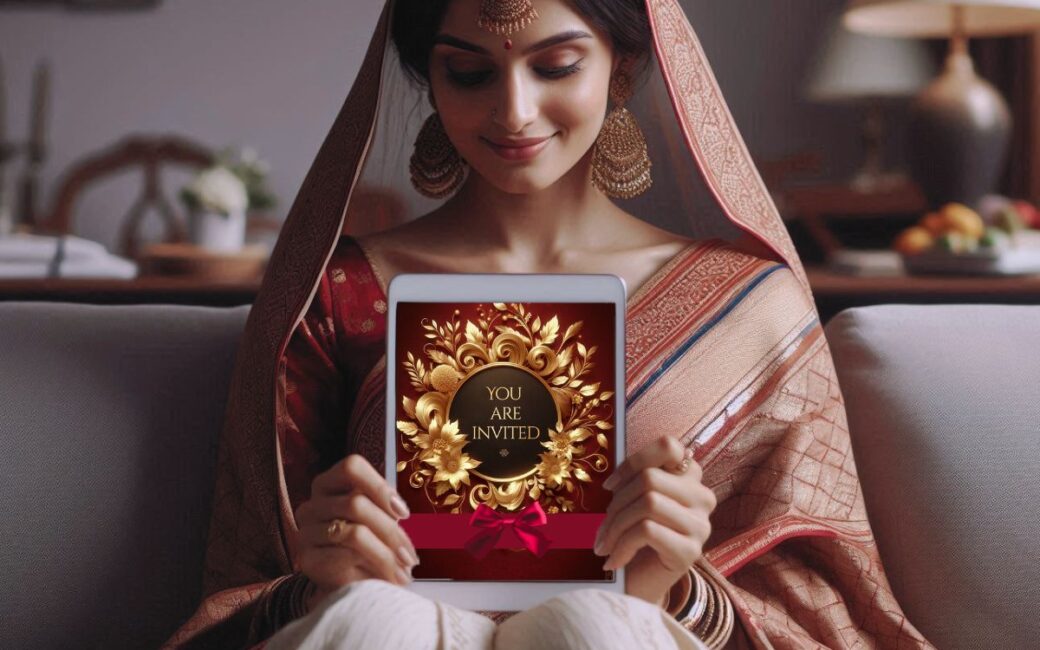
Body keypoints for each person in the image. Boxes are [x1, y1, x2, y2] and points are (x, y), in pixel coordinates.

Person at [165, 1, 934, 648]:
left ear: (623, 66)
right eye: (468, 72)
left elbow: (823, 612)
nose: (513, 111)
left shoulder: (746, 303)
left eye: (556, 65)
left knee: (590, 626)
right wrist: (317, 575)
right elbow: (243, 587)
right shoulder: (337, 295)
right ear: (427, 78)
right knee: (375, 620)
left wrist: (671, 591)